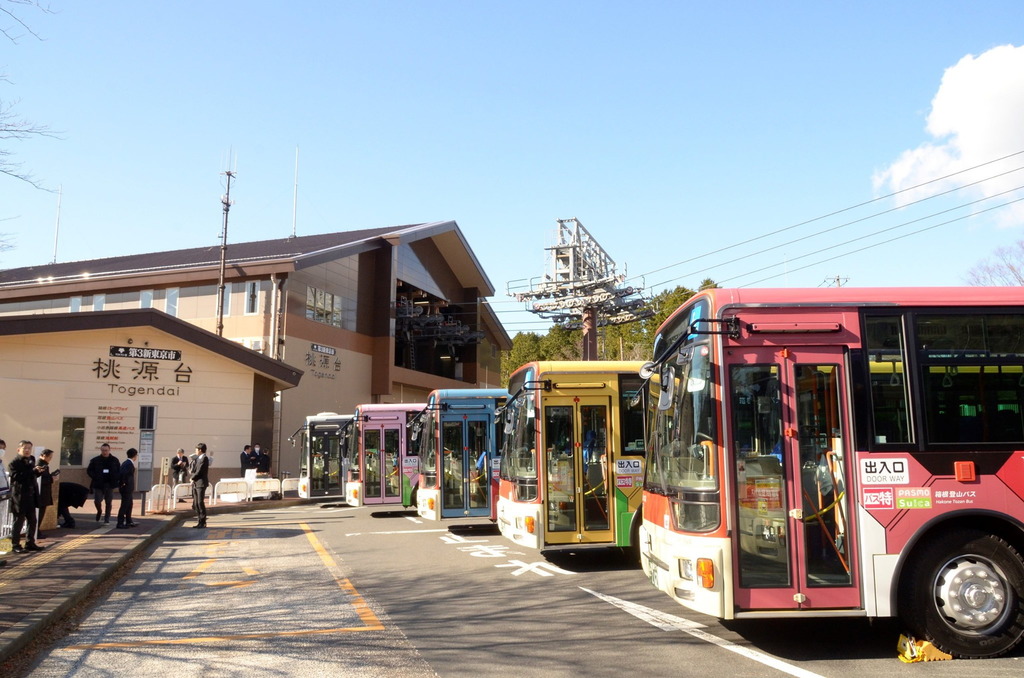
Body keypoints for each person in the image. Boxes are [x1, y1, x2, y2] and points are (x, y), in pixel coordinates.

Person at [8, 440, 43, 553]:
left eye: (29, 448)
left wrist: (39, 471)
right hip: (19, 496)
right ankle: (15, 545)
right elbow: (17, 477)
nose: (27, 450)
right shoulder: (14, 463)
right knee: (18, 521)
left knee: (32, 520)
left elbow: (32, 475)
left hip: (31, 495)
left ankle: (30, 543)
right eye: (25, 448)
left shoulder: (31, 459)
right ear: (19, 450)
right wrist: (32, 471)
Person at [87, 443, 121, 523]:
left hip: (110, 484)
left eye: (106, 450)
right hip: (98, 484)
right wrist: (95, 477)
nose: (104, 452)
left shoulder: (114, 460)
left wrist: (116, 479)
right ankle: (99, 511)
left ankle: (107, 518)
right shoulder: (95, 460)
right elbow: (89, 470)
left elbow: (119, 471)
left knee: (108, 502)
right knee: (97, 500)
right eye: (103, 450)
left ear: (109, 450)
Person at [36, 448, 59, 540]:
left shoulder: (45, 465)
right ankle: (36, 532)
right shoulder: (40, 465)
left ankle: (37, 531)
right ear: (44, 456)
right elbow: (41, 480)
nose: (51, 459)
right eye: (50, 457)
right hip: (41, 494)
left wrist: (51, 477)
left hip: (44, 493)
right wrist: (51, 479)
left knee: (41, 513)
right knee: (39, 513)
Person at [117, 448, 139, 529]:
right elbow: (123, 474)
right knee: (124, 505)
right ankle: (120, 523)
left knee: (129, 505)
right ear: (135, 456)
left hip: (127, 488)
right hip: (126, 488)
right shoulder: (128, 464)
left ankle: (129, 521)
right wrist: (123, 483)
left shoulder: (126, 463)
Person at [190, 442, 210, 528]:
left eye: (196, 449)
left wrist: (192, 478)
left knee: (200, 502)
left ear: (200, 450)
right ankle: (199, 521)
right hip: (196, 483)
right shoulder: (197, 459)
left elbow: (200, 471)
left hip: (201, 483)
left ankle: (203, 521)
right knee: (196, 503)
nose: (195, 451)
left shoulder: (204, 458)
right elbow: (194, 469)